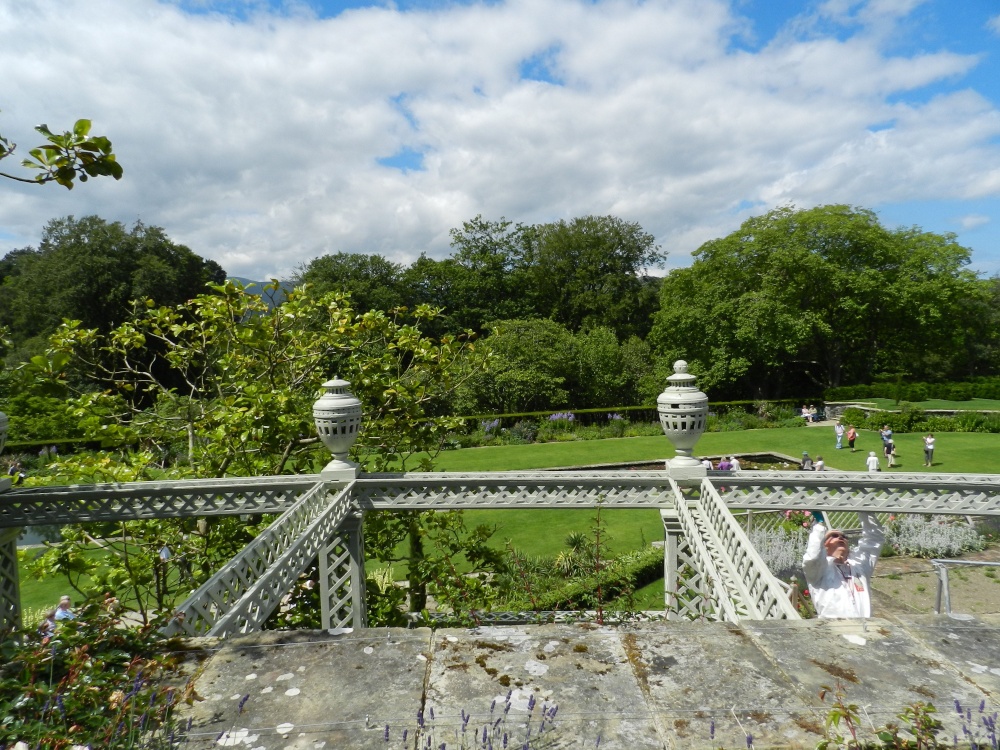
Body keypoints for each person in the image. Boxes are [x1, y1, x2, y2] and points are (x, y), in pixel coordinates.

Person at [803, 514, 885, 618]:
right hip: (834, 627)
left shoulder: (859, 566)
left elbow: (874, 539)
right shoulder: (819, 571)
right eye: (834, 536)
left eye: (844, 537)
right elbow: (813, 557)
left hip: (865, 626)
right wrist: (819, 526)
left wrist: (863, 510)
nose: (840, 537)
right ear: (824, 544)